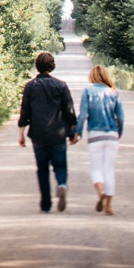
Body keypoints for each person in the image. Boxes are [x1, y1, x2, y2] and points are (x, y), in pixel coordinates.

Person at [16, 51, 77, 212]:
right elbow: (69, 111)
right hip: (58, 134)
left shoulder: (30, 86)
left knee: (42, 170)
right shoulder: (61, 85)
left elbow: (25, 112)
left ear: (37, 66)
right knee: (60, 166)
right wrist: (73, 132)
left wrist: (21, 133)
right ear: (52, 66)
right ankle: (62, 184)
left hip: (38, 134)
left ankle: (45, 204)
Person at [80, 64, 125, 214]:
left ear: (92, 77)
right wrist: (119, 133)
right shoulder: (114, 93)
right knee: (109, 170)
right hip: (111, 135)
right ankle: (108, 206)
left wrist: (77, 133)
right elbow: (121, 117)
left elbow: (82, 115)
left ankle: (100, 192)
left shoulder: (88, 92)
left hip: (95, 135)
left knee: (97, 168)